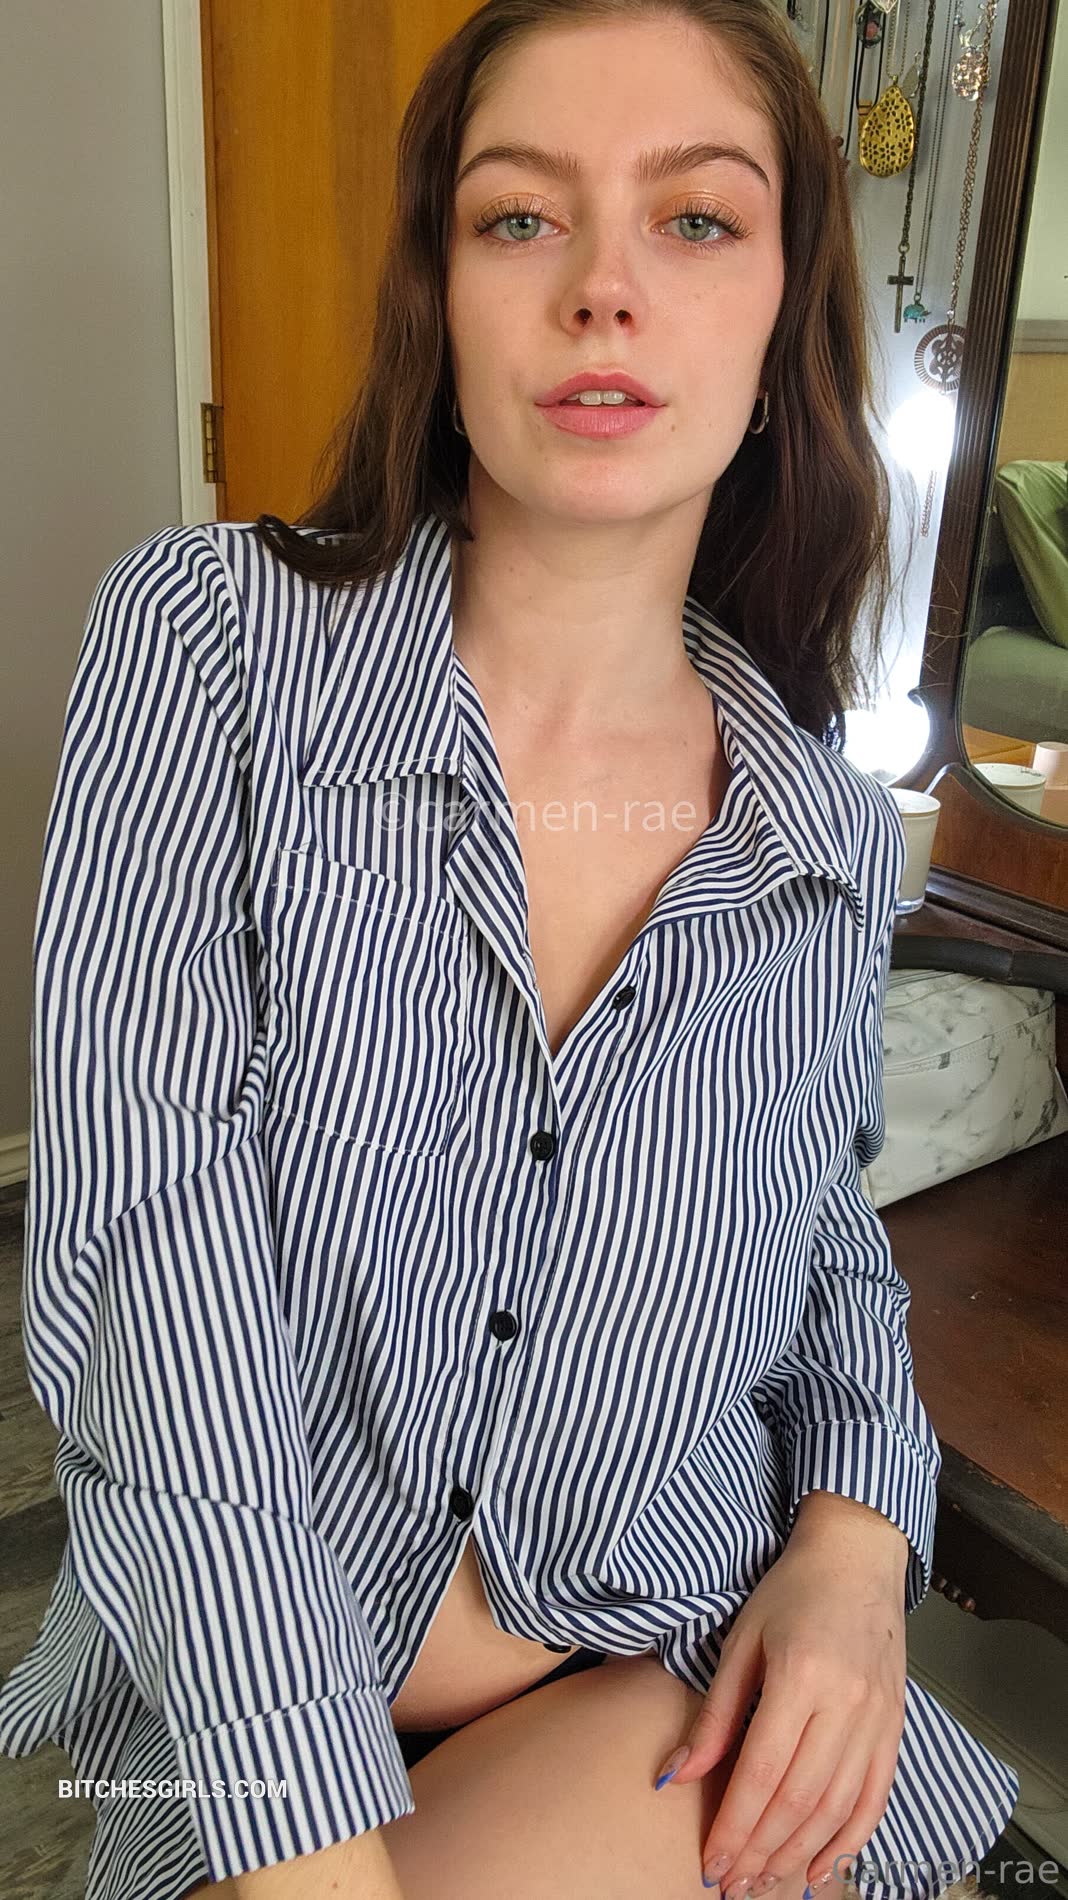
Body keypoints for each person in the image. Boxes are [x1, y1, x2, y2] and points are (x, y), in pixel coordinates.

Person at [0, 3, 1020, 1898]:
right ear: (442, 296)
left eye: (696, 219)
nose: (602, 289)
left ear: (783, 318)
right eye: (520, 217)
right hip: (242, 1740)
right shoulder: (208, 648)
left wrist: (856, 1543)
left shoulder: (812, 827)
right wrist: (306, 1839)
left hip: (672, 1664)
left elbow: (823, 1249)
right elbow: (145, 1266)